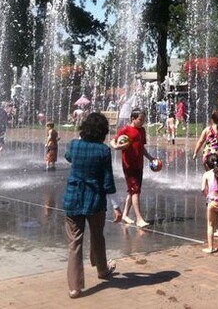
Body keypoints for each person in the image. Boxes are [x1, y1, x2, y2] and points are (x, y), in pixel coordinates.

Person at [63, 112, 119, 299]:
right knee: (97, 236)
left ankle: (74, 287)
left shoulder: (74, 145)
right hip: (95, 199)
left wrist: (81, 138)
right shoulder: (103, 151)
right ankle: (102, 270)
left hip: (73, 198)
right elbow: (108, 180)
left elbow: (68, 157)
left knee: (74, 242)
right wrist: (116, 205)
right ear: (103, 131)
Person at [110, 109, 154, 227]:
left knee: (132, 190)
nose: (142, 122)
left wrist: (150, 158)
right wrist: (117, 146)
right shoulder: (125, 130)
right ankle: (139, 219)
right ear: (133, 119)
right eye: (140, 119)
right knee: (135, 191)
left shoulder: (142, 130)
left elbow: (141, 147)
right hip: (128, 165)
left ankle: (125, 215)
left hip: (139, 164)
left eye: (144, 120)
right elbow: (113, 141)